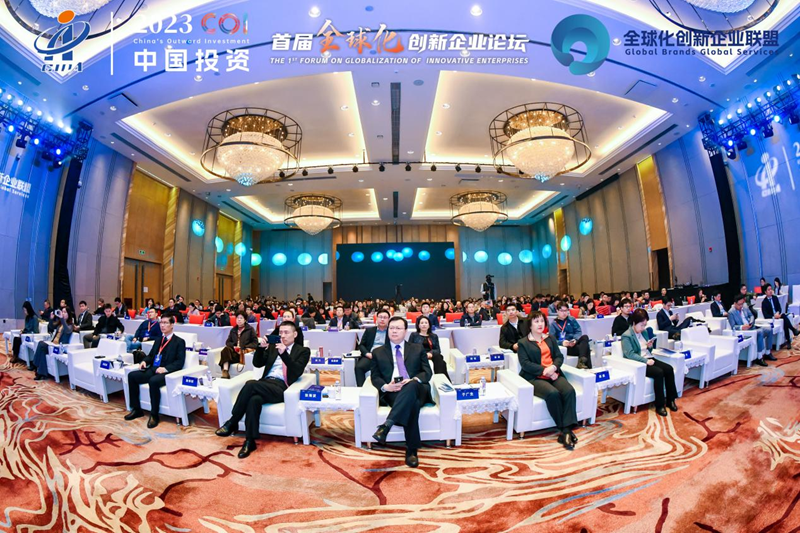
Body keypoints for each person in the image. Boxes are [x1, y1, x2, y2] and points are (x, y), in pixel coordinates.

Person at [215, 321, 311, 459]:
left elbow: (296, 371)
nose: (283, 335)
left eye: (286, 332)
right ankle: (250, 441)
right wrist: (260, 348)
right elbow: (257, 363)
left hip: (281, 386)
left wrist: (284, 354)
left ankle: (233, 421)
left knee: (250, 384)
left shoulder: (303, 351)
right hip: (265, 383)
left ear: (295, 334)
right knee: (254, 400)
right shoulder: (273, 347)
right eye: (280, 332)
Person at [370, 316, 432, 468]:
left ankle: (387, 425)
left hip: (417, 388)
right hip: (394, 392)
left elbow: (427, 372)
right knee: (412, 404)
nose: (394, 331)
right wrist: (386, 387)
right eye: (391, 328)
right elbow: (375, 377)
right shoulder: (378, 352)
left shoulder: (417, 348)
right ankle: (411, 450)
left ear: (405, 331)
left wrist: (413, 380)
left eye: (398, 328)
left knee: (410, 386)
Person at [517, 311, 578, 450]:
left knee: (569, 390)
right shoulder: (523, 343)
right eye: (536, 321)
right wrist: (546, 371)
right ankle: (565, 429)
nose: (540, 324)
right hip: (535, 377)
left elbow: (559, 357)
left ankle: (566, 431)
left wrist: (554, 367)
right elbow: (525, 364)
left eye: (542, 321)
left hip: (554, 373)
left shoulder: (550, 338)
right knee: (553, 394)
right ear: (530, 325)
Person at [124, 315, 186, 428]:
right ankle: (136, 409)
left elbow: (179, 362)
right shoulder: (158, 340)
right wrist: (144, 361)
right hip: (153, 369)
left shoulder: (179, 342)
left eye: (166, 323)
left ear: (172, 325)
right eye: (161, 322)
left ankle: (154, 415)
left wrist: (165, 369)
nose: (162, 325)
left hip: (168, 372)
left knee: (153, 381)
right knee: (132, 376)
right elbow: (151, 356)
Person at [621, 309, 678, 417]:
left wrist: (650, 346)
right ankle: (660, 405)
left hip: (649, 358)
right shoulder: (627, 336)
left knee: (669, 369)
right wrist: (646, 361)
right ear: (634, 323)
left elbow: (649, 351)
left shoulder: (644, 332)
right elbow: (630, 354)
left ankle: (671, 400)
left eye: (645, 325)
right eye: (641, 325)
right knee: (659, 372)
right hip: (640, 362)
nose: (643, 328)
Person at [728, 294, 771, 366]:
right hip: (744, 331)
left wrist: (751, 321)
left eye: (742, 304)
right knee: (760, 332)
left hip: (751, 326)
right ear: (735, 303)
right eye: (739, 304)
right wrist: (742, 327)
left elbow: (751, 315)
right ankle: (759, 357)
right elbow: (733, 327)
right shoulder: (731, 312)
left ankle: (768, 353)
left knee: (769, 329)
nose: (741, 306)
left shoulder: (744, 306)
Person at [32, 309, 73, 380]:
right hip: (52, 344)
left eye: (65, 312)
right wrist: (51, 319)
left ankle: (35, 364)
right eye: (62, 312)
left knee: (41, 344)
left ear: (69, 314)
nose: (63, 313)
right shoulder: (60, 324)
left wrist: (62, 319)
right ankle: (41, 373)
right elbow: (51, 327)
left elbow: (67, 330)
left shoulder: (70, 325)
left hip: (59, 347)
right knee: (42, 350)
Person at [550, 301, 592, 369]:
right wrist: (562, 343)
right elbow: (552, 340)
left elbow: (578, 331)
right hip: (565, 347)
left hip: (574, 343)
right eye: (562, 311)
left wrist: (575, 339)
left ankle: (581, 362)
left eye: (566, 310)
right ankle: (586, 366)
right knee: (586, 347)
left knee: (585, 337)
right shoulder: (553, 324)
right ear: (557, 311)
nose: (564, 313)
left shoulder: (571, 319)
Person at [355, 309, 391, 386]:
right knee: (359, 367)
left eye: (385, 317)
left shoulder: (391, 332)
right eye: (380, 317)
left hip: (386, 357)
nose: (382, 319)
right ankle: (361, 389)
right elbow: (361, 345)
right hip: (371, 356)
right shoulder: (369, 331)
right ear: (376, 318)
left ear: (389, 319)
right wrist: (367, 354)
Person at [219, 312, 258, 379]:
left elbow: (255, 343)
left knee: (226, 354)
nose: (239, 320)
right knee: (226, 349)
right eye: (237, 318)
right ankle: (225, 372)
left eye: (241, 318)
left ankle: (225, 371)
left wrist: (244, 347)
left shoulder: (250, 329)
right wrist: (234, 346)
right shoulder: (233, 330)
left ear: (245, 320)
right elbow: (228, 342)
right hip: (235, 353)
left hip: (244, 354)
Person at [409, 315, 449, 380]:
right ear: (418, 325)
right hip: (419, 355)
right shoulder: (414, 335)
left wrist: (430, 353)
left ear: (429, 325)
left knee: (439, 358)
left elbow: (438, 350)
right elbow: (410, 348)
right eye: (422, 323)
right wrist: (423, 354)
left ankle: (441, 380)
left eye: (426, 323)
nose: (424, 325)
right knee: (441, 362)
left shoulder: (434, 336)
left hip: (431, 355)